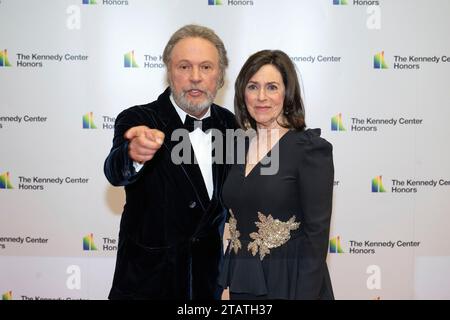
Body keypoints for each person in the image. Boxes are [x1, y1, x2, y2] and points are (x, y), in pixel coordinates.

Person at [104, 24, 237, 300]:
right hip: (147, 286)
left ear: (220, 75)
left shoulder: (230, 125)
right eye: (184, 67)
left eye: (206, 67)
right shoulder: (138, 119)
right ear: (169, 71)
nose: (196, 78)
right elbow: (115, 171)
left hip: (207, 286)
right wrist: (133, 154)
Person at [218, 50, 335, 300]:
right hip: (242, 281)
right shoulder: (236, 144)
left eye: (272, 87)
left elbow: (316, 238)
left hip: (290, 282)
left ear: (287, 93)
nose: (261, 97)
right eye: (253, 87)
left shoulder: (310, 149)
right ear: (242, 93)